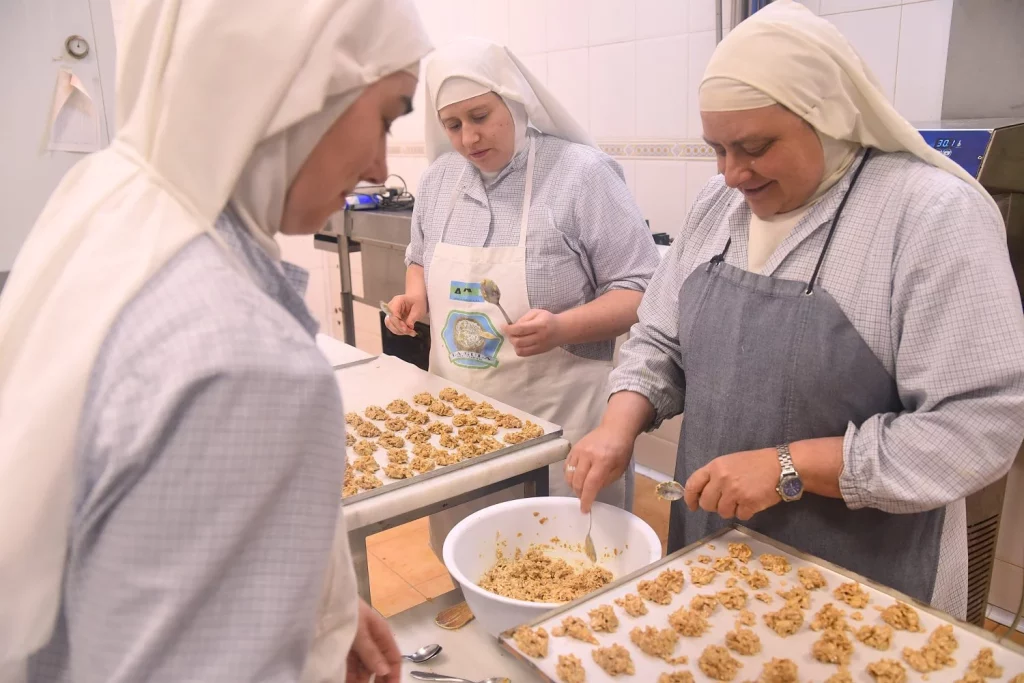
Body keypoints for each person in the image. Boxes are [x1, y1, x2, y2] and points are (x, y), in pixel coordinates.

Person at [0, 0, 431, 681]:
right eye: (386, 115)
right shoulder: (247, 367)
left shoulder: (117, 203)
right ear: (298, 78)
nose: (381, 165)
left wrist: (309, 615)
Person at [565, 0, 1024, 619]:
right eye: (717, 149)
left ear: (828, 117)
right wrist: (617, 427)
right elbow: (660, 339)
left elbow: (978, 424)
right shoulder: (717, 207)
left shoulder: (929, 215)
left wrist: (791, 466)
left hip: (860, 574)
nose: (731, 173)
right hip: (714, 545)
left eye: (754, 146)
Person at [384, 39, 660, 553]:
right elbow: (418, 254)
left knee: (565, 563)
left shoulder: (581, 175)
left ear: (513, 102)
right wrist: (415, 296)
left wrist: (562, 328)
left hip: (560, 421)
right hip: (461, 421)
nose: (469, 137)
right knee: (472, 555)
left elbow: (643, 291)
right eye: (453, 125)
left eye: (481, 116)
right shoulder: (440, 179)